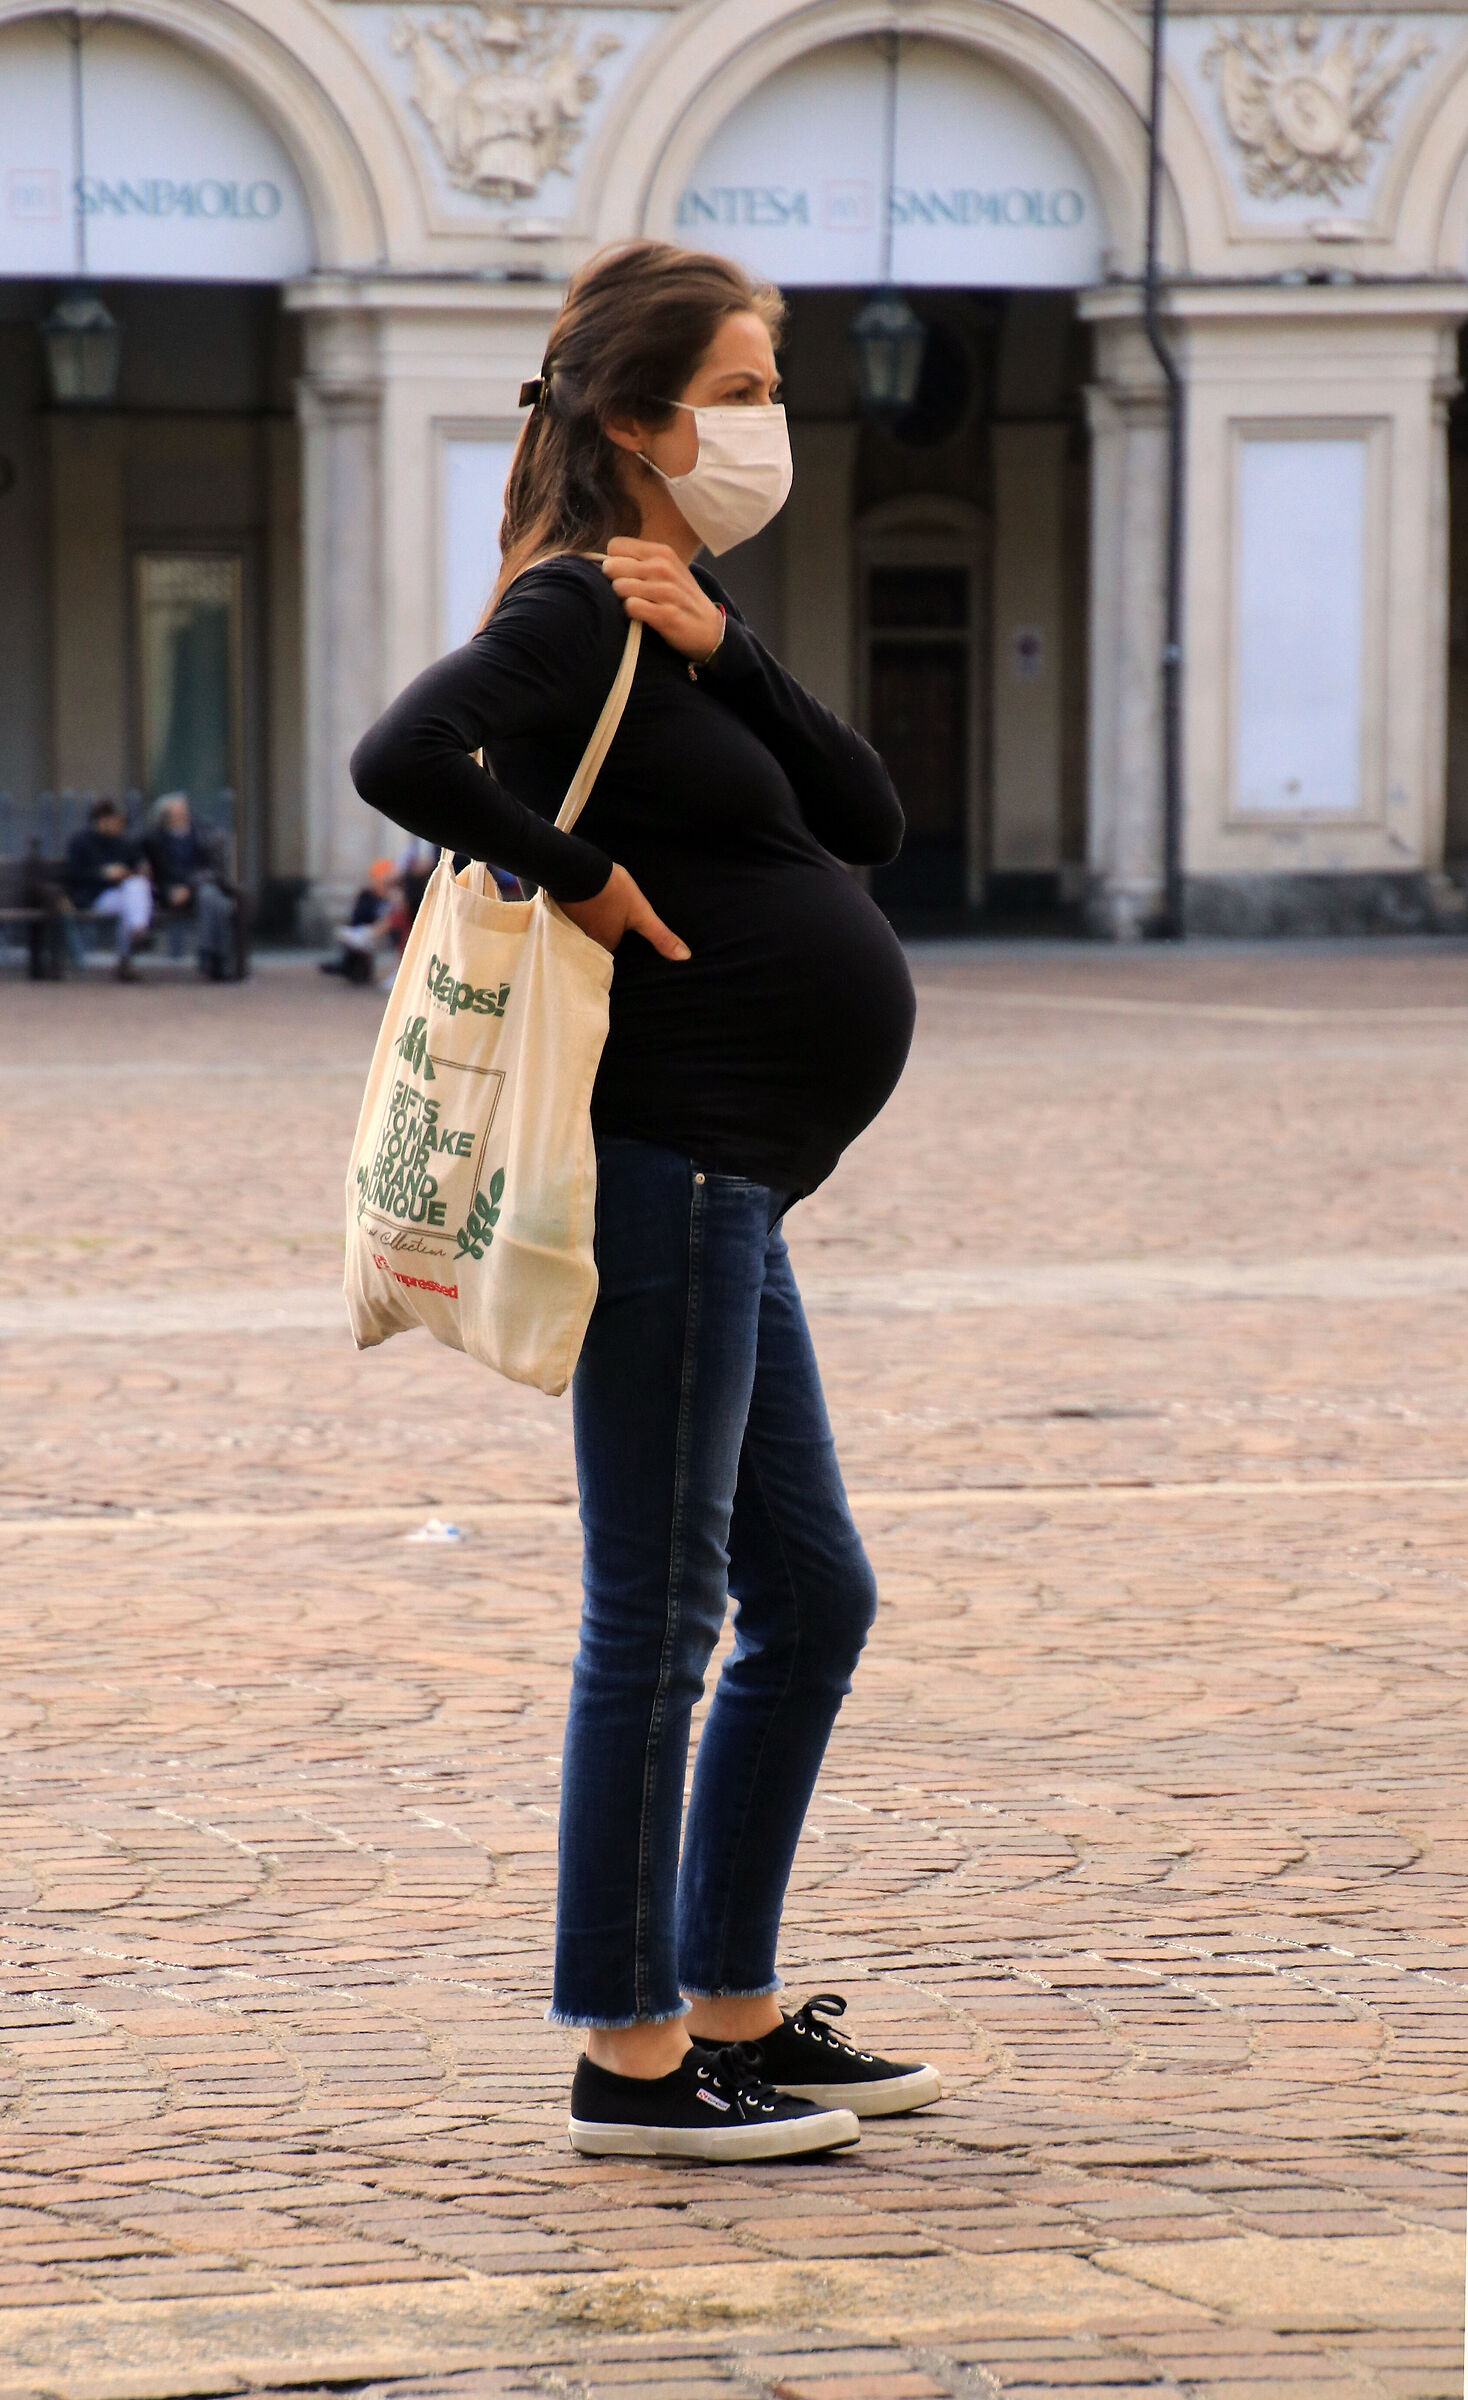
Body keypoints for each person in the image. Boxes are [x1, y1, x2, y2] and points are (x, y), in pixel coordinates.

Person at [351, 241, 937, 2163]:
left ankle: (733, 2004)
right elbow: (399, 755)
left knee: (812, 1596)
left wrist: (730, 651)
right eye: (744, 392)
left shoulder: (674, 614)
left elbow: (868, 822)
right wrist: (577, 873)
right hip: (664, 1168)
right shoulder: (567, 603)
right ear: (633, 417)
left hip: (731, 1184)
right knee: (660, 1611)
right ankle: (627, 2051)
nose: (770, 422)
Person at [143, 793, 238, 978]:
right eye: (175, 813)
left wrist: (189, 886)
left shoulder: (205, 835)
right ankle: (216, 959)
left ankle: (209, 953)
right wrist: (168, 890)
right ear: (164, 816)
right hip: (167, 892)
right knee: (217, 902)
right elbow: (152, 872)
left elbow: (215, 869)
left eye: (183, 811)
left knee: (213, 898)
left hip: (199, 887)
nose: (181, 816)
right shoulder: (153, 840)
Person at [63, 798, 152, 980]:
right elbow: (73, 875)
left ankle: (138, 931)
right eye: (115, 820)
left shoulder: (124, 842)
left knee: (137, 887)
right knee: (132, 905)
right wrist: (102, 873)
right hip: (94, 896)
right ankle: (129, 953)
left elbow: (139, 864)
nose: (119, 825)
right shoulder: (81, 841)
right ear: (102, 820)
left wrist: (140, 868)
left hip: (122, 895)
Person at [320, 857, 405, 985]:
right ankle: (351, 965)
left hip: (387, 934)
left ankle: (352, 959)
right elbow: (358, 918)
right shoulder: (367, 895)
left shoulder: (397, 895)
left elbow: (397, 916)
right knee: (354, 937)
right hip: (374, 932)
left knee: (392, 922)